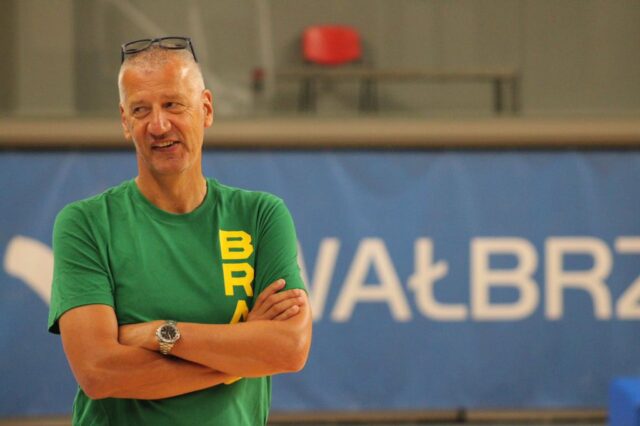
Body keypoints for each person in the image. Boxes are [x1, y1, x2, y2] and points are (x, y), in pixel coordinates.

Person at [48, 36, 312, 425]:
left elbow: (290, 348)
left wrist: (161, 333)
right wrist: (241, 357)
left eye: (173, 104)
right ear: (125, 122)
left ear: (206, 109)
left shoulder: (260, 216)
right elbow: (99, 372)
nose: (158, 125)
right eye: (141, 110)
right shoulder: (86, 223)